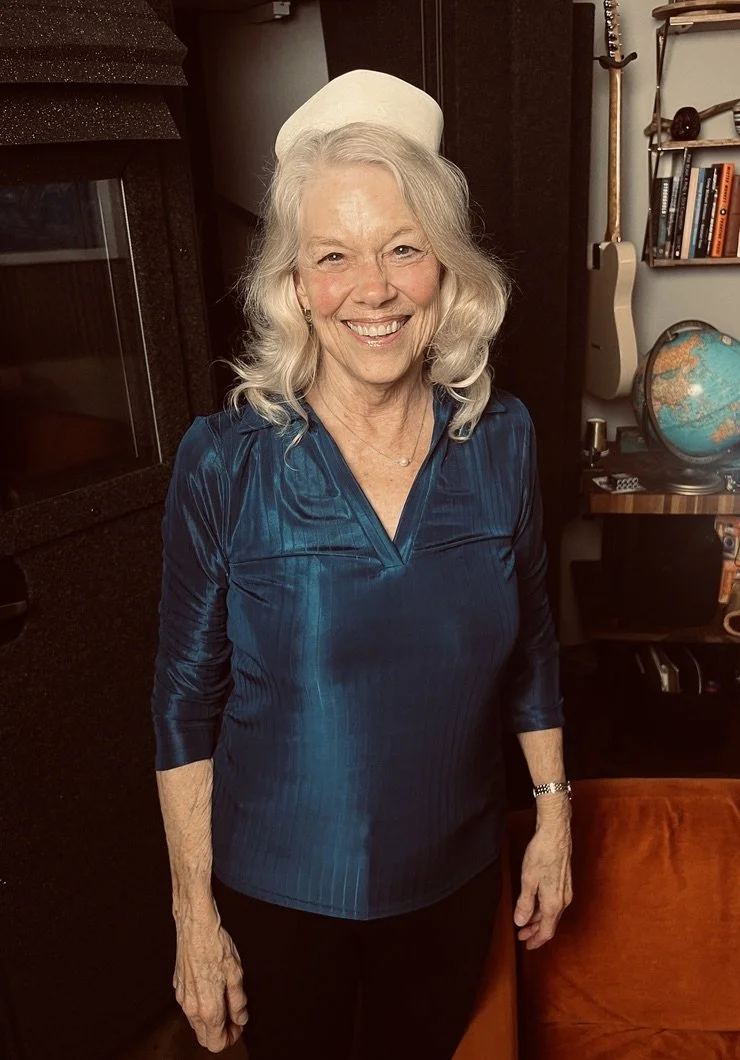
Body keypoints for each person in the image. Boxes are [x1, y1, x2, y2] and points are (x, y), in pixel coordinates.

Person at [151, 69, 572, 1060]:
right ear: (294, 284)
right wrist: (192, 918)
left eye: (402, 249)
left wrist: (552, 820)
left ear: (447, 270)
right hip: (280, 899)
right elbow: (181, 700)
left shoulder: (501, 438)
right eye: (332, 255)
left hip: (455, 885)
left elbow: (533, 650)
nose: (371, 288)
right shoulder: (225, 460)